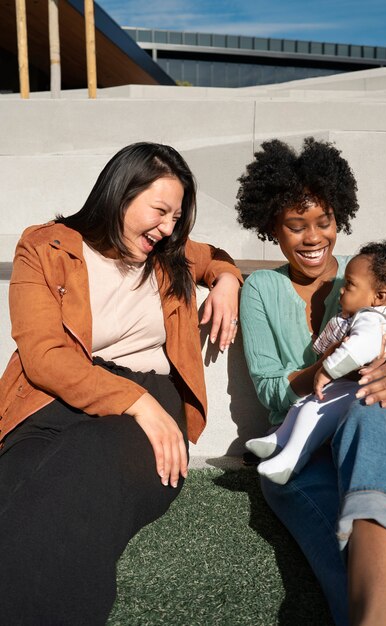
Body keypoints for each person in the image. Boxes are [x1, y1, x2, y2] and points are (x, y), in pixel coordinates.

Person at [0, 142, 242, 625]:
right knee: (15, 487)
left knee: (80, 482)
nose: (168, 228)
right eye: (160, 211)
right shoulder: (46, 246)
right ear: (120, 192)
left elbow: (214, 257)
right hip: (53, 401)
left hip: (148, 402)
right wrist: (132, 401)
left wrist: (228, 281)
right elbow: (44, 356)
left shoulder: (170, 252)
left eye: (177, 217)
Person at [236, 137, 386, 626]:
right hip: (302, 452)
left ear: (341, 218)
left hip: (380, 430)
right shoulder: (261, 289)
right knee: (328, 530)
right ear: (272, 226)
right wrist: (323, 370)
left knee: (367, 419)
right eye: (296, 226)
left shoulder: (375, 276)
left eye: (325, 222)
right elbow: (273, 390)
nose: (313, 237)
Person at [246, 240, 386, 485]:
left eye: (349, 285)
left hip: (364, 397)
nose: (341, 290)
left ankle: (291, 459)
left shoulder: (372, 319)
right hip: (352, 390)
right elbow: (269, 388)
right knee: (305, 406)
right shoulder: (370, 306)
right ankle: (280, 440)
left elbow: (357, 349)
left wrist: (327, 370)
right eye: (296, 227)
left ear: (379, 297)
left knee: (314, 410)